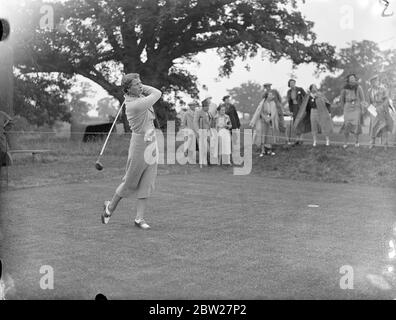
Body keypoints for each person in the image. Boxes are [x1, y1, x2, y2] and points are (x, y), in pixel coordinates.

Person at [102, 73, 162, 230]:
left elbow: (149, 92)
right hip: (139, 145)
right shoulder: (134, 105)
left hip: (152, 143)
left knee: (147, 182)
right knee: (130, 181)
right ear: (128, 89)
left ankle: (139, 218)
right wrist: (136, 89)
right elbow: (157, 93)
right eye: (136, 84)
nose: (141, 85)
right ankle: (110, 207)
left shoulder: (139, 97)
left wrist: (138, 87)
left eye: (141, 82)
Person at [340, 74, 366, 149]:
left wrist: (363, 108)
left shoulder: (359, 87)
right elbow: (341, 100)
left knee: (356, 125)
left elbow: (363, 99)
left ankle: (357, 141)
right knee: (347, 124)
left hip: (356, 107)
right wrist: (343, 108)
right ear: (348, 79)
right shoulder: (344, 88)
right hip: (347, 107)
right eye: (350, 78)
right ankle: (345, 142)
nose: (352, 79)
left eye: (353, 78)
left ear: (355, 79)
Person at [367, 75, 394, 150]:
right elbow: (369, 102)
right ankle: (372, 143)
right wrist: (371, 110)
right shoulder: (369, 91)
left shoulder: (383, 89)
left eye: (376, 81)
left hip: (382, 109)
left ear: (378, 81)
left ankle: (385, 144)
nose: (374, 82)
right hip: (374, 110)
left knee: (383, 126)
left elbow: (386, 100)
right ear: (371, 82)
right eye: (372, 81)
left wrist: (382, 107)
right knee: (373, 126)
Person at [250, 90, 279, 157]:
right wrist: (265, 118)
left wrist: (270, 118)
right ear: (267, 96)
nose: (272, 96)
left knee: (269, 135)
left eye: (272, 95)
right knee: (263, 135)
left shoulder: (273, 103)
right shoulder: (262, 103)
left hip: (270, 121)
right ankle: (262, 150)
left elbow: (274, 112)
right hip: (263, 120)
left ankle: (269, 150)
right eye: (270, 95)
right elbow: (260, 111)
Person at [194, 99, 217, 165]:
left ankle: (210, 160)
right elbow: (195, 122)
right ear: (203, 106)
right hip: (202, 132)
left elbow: (212, 121)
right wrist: (198, 131)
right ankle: (205, 161)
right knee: (205, 148)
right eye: (206, 107)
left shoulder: (209, 113)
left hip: (209, 132)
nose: (208, 108)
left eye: (208, 106)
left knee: (211, 147)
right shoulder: (199, 112)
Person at [286, 79, 306, 144]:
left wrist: (304, 106)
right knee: (296, 122)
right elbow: (289, 102)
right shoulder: (289, 92)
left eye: (293, 83)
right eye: (290, 83)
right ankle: (297, 139)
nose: (292, 84)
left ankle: (301, 139)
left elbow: (306, 97)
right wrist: (290, 110)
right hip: (294, 107)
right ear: (289, 85)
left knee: (301, 122)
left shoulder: (300, 89)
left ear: (295, 83)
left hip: (300, 107)